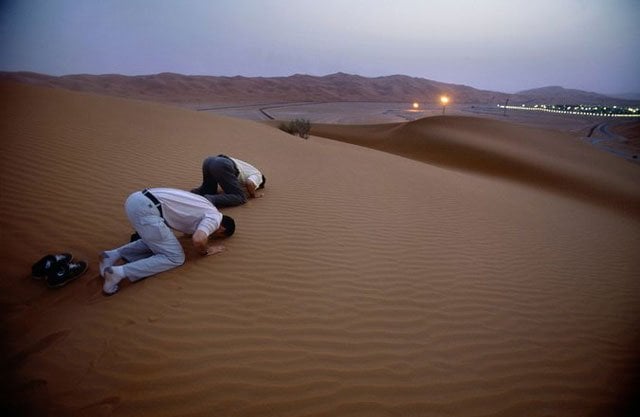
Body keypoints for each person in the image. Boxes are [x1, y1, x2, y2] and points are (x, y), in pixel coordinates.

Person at [99, 188, 235, 295]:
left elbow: (187, 226)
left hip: (137, 199)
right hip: (147, 211)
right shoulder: (214, 219)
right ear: (221, 229)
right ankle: (119, 273)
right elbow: (198, 240)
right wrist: (206, 251)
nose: (211, 236)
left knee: (159, 239)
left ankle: (111, 255)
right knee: (175, 257)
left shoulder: (208, 205)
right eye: (216, 236)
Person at [191, 155, 266, 207]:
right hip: (222, 164)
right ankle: (209, 199)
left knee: (208, 190)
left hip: (209, 161)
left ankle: (189, 195)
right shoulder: (258, 175)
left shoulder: (250, 169)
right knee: (240, 197)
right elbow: (250, 183)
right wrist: (253, 195)